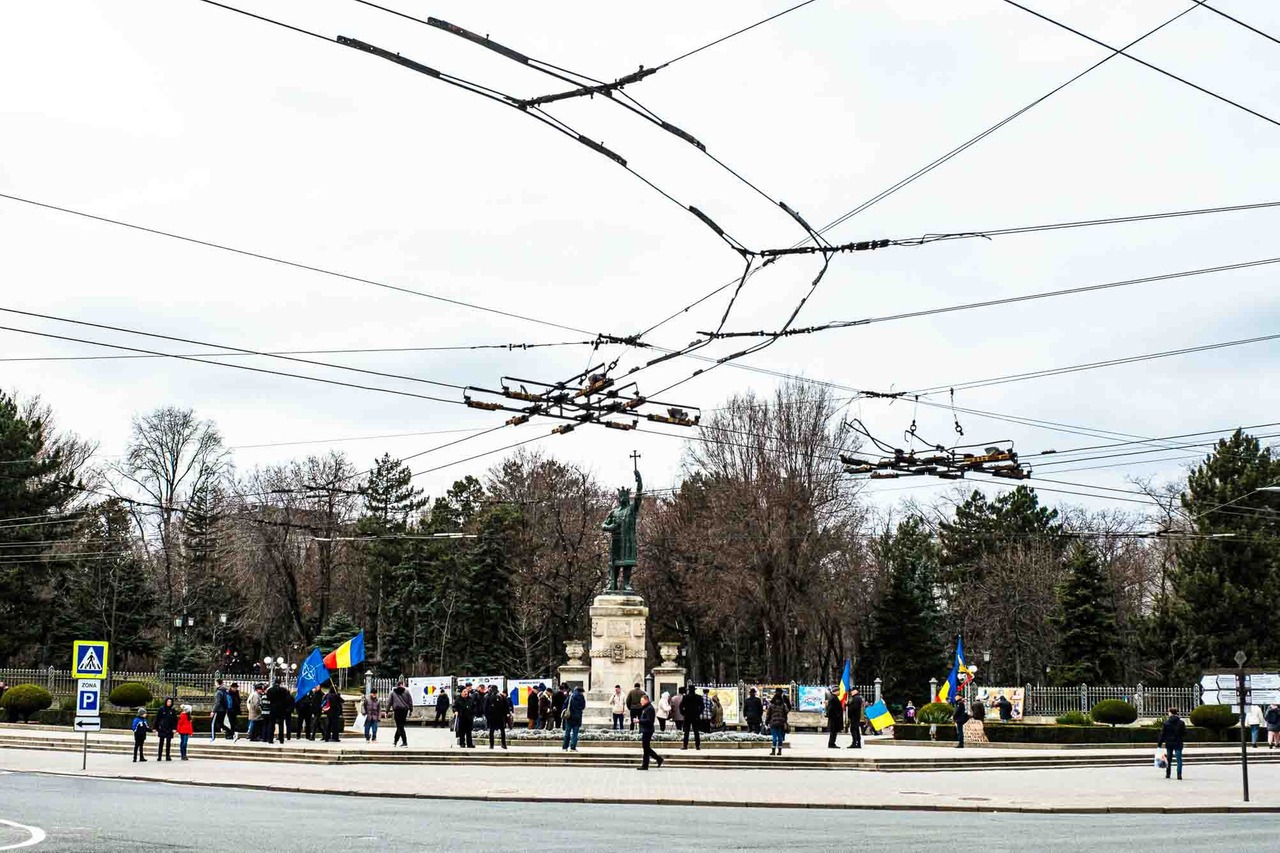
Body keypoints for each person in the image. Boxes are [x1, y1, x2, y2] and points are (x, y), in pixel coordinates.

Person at [636, 694, 664, 770]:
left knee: (646, 748)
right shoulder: (646, 708)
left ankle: (652, 761)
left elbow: (649, 721)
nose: (641, 702)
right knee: (646, 748)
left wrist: (639, 721)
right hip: (646, 730)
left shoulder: (649, 708)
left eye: (642, 700)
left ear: (646, 700)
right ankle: (653, 761)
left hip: (648, 730)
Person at [1158, 706, 1186, 780]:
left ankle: (1168, 774)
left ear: (1170, 713)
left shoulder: (1166, 723)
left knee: (1169, 759)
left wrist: (1159, 743)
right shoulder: (1181, 723)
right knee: (1179, 760)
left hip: (1169, 743)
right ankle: (1179, 774)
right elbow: (1184, 733)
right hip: (1178, 743)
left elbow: (1162, 734)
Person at [485, 684, 510, 749]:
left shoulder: (489, 696)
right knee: (502, 730)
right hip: (500, 716)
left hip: (492, 716)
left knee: (491, 730)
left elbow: (486, 707)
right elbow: (506, 706)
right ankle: (503, 744)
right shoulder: (501, 696)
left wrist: (487, 716)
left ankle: (491, 745)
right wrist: (506, 714)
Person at [766, 688, 789, 756]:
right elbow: (787, 712)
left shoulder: (771, 705)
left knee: (774, 737)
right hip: (781, 723)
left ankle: (773, 751)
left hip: (773, 722)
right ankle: (779, 751)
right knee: (780, 737)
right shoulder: (783, 705)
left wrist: (767, 721)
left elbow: (768, 714)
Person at [562, 686, 586, 751]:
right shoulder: (582, 698)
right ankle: (572, 747)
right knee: (575, 734)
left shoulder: (571, 696)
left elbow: (565, 704)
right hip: (577, 718)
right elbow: (583, 707)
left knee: (567, 732)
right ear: (581, 692)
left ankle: (565, 747)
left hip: (569, 717)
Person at [391, 680, 413, 747]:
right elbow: (410, 701)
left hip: (397, 710)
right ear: (402, 684)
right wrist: (411, 710)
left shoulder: (393, 692)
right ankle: (395, 741)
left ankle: (404, 742)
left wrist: (386, 711)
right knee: (400, 726)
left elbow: (389, 702)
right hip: (404, 710)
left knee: (399, 726)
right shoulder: (406, 692)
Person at [681, 686, 703, 751]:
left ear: (689, 690)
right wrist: (699, 713)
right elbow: (702, 707)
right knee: (696, 731)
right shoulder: (698, 697)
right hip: (695, 716)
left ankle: (685, 745)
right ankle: (697, 746)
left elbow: (681, 706)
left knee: (686, 731)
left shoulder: (685, 697)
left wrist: (683, 713)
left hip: (687, 716)